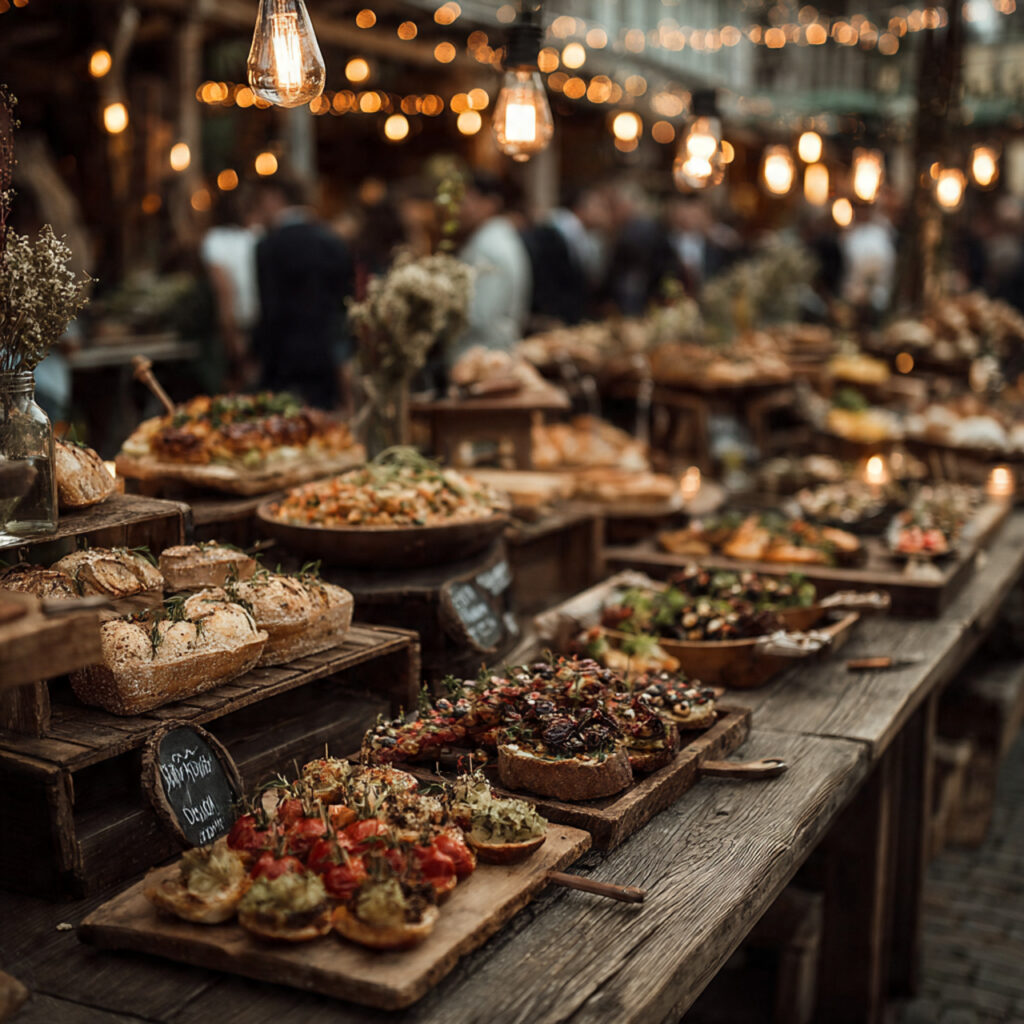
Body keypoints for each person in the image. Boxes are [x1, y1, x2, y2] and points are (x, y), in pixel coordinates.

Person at [249, 175, 354, 410]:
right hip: (325, 354)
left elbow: (270, 309)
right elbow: (345, 302)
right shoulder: (333, 241)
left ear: (274, 198)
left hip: (283, 359)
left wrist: (258, 356)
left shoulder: (268, 246)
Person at [454, 172, 532, 356]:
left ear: (490, 203)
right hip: (494, 351)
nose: (460, 209)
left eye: (467, 200)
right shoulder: (500, 236)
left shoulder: (488, 245)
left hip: (480, 354)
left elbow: (480, 315)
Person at [199, 189, 261, 389]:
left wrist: (230, 336)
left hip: (235, 327)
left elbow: (224, 290)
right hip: (258, 325)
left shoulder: (214, 241)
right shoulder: (257, 236)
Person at [524, 184, 609, 325]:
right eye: (599, 206)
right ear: (581, 207)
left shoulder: (578, 235)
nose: (603, 212)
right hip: (553, 319)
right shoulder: (558, 233)